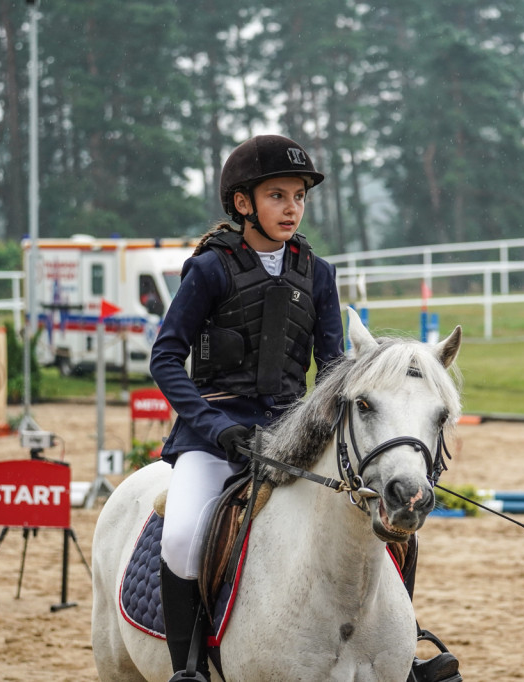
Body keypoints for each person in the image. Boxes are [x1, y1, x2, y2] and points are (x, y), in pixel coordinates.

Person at [150, 135, 460, 682]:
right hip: (214, 437)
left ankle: (401, 653)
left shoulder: (317, 273)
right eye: (277, 196)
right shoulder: (210, 270)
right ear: (244, 203)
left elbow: (335, 369)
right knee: (180, 537)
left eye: (299, 196)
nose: (292, 207)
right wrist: (217, 429)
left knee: (386, 523)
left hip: (294, 435)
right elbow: (166, 359)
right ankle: (189, 667)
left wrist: (333, 430)